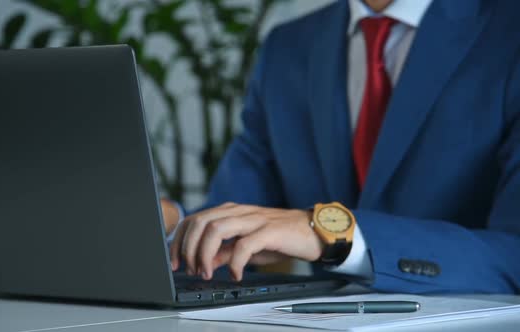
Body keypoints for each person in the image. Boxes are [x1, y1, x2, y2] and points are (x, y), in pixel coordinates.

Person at [161, 0, 520, 294]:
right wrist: (172, 227)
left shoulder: (508, 34)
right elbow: (232, 222)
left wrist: (330, 232)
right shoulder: (287, 49)